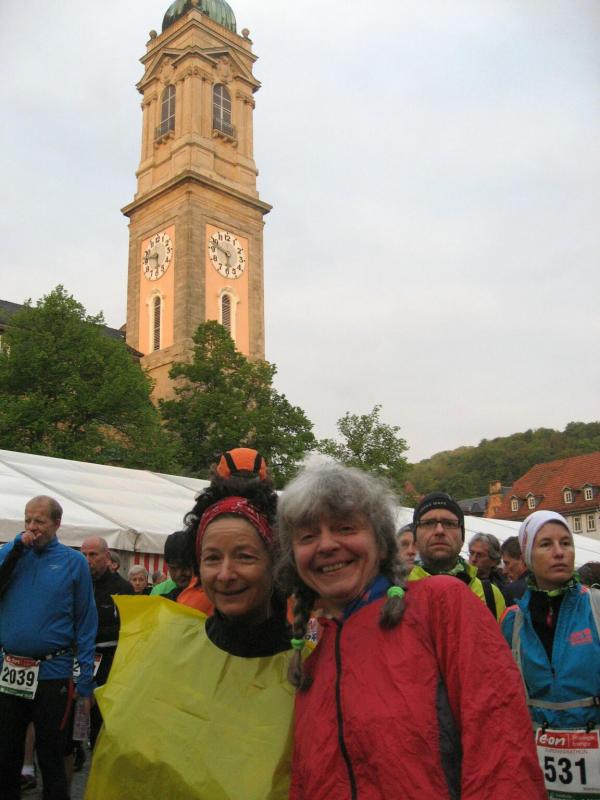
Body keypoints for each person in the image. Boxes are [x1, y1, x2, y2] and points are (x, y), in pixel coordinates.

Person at [276, 464, 545, 799]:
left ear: (381, 543)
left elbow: (503, 750)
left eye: (345, 528)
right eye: (307, 536)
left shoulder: (440, 605)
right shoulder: (313, 664)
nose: (326, 545)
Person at [85, 478, 294, 800]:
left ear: (275, 563)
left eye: (245, 557)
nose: (225, 574)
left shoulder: (309, 675)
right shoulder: (160, 645)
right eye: (212, 558)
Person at [0, 496, 97, 800]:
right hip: (11, 670)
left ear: (57, 524)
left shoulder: (73, 562)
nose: (32, 527)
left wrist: (84, 680)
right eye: (28, 520)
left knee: (51, 754)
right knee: (6, 754)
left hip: (53, 673)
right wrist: (15, 548)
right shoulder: (11, 553)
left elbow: (85, 620)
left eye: (40, 521)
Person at [501, 510, 600, 799]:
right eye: (546, 544)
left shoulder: (596, 608)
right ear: (527, 556)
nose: (559, 552)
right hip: (540, 779)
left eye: (565, 543)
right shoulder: (512, 622)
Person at [409, 492, 506, 620]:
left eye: (449, 523)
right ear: (415, 538)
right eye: (428, 523)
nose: (439, 530)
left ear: (462, 537)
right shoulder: (396, 591)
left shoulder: (491, 596)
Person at [80, 536, 134, 748]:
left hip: (108, 661)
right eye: (84, 554)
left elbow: (127, 628)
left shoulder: (123, 588)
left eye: (93, 555)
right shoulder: (78, 583)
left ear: (107, 556)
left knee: (99, 718)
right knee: (76, 715)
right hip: (79, 660)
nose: (87, 560)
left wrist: (89, 633)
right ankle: (76, 749)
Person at [500, 535, 531, 603]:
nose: (504, 571)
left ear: (523, 559)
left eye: (507, 563)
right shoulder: (549, 585)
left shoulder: (510, 591)